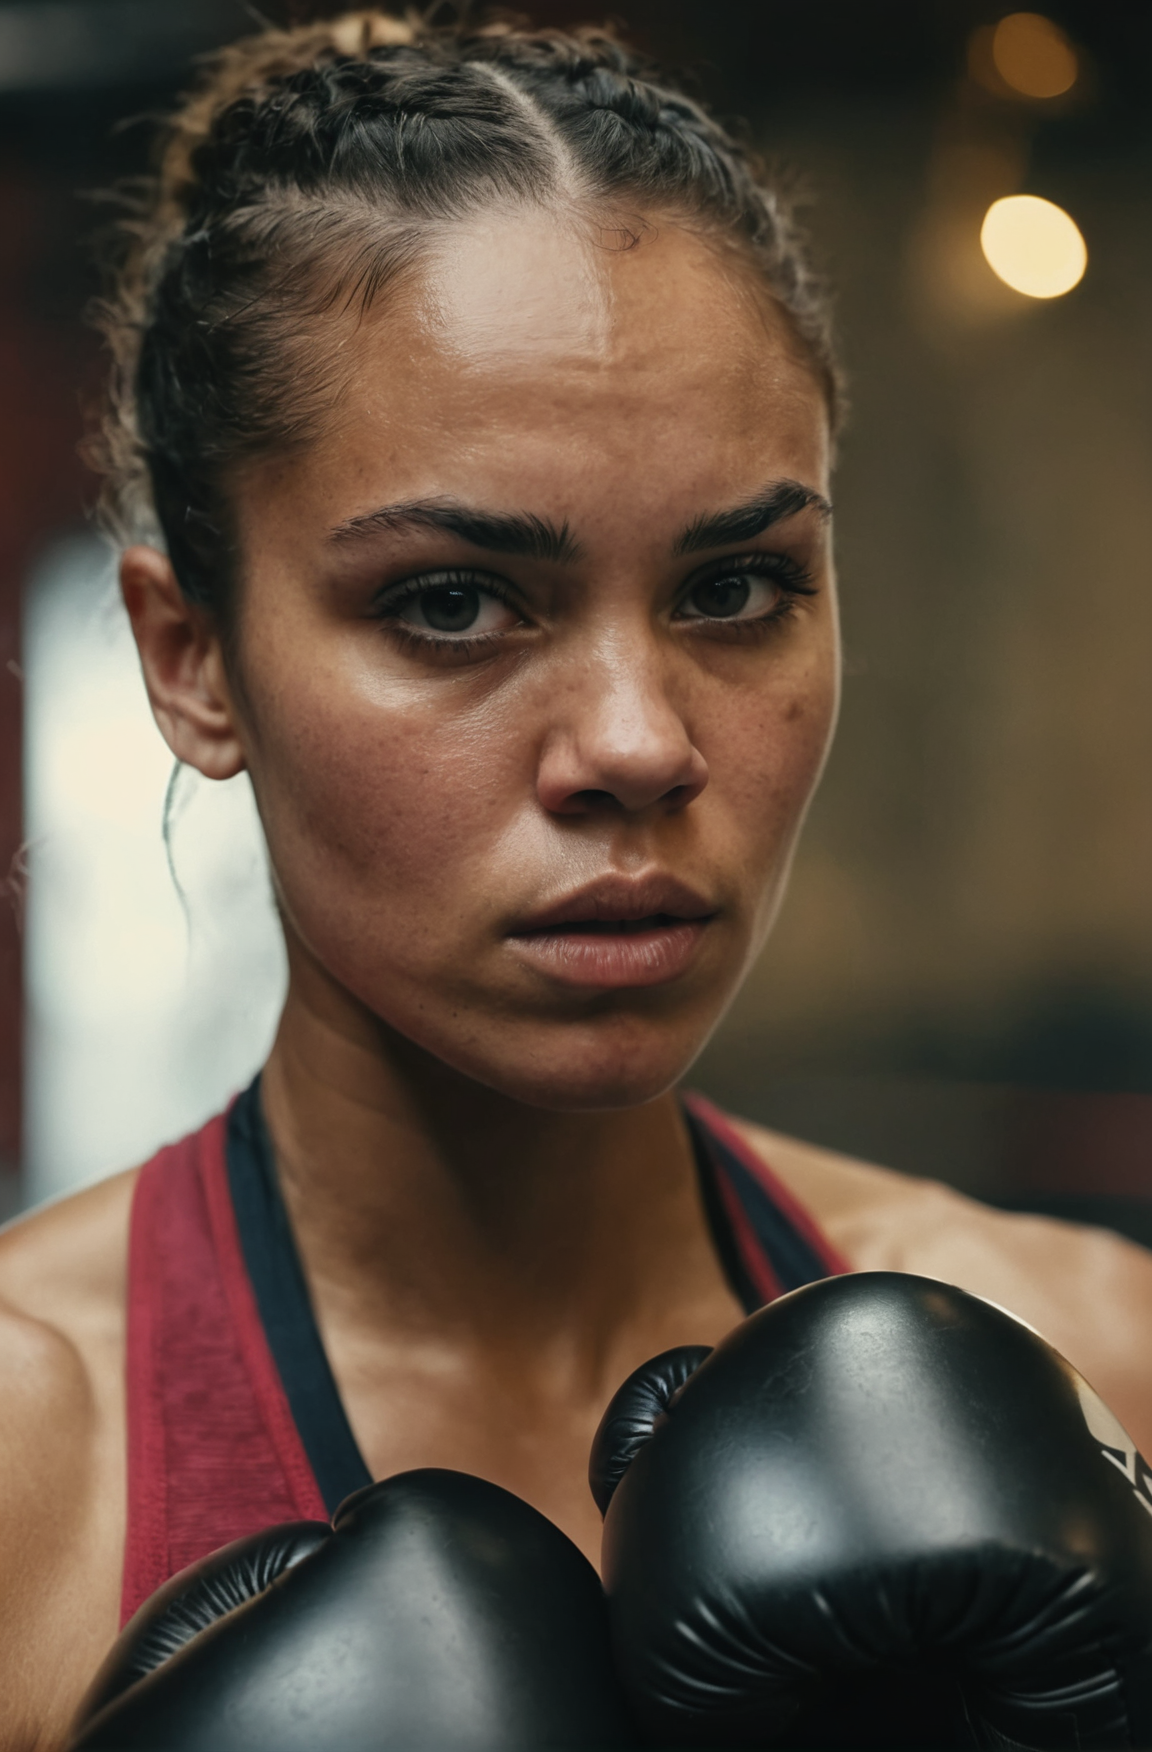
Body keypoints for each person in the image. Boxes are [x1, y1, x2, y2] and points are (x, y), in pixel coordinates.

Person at [1, 10, 1150, 1747]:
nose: (637, 744)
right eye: (453, 600)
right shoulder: (27, 1479)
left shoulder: (1104, 1363)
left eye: (738, 586)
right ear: (193, 662)